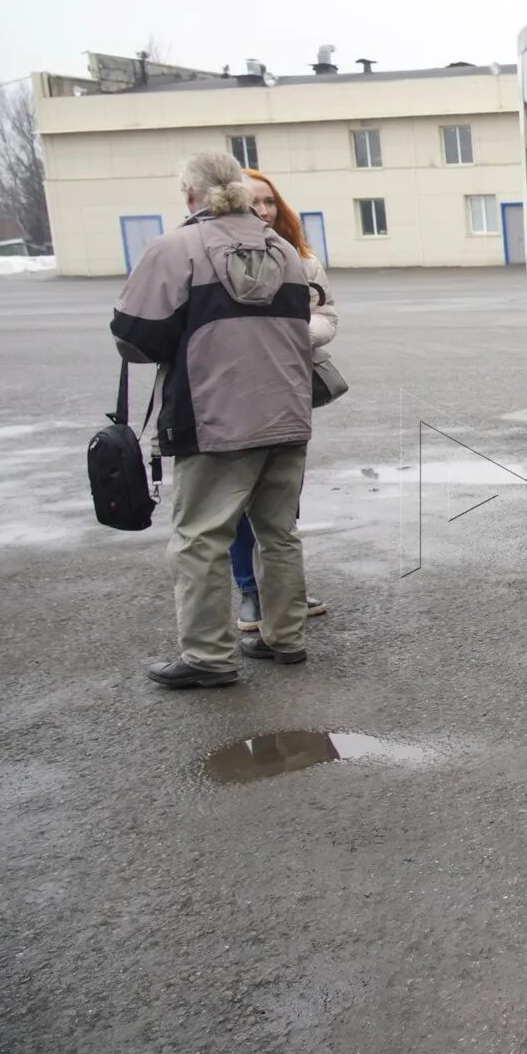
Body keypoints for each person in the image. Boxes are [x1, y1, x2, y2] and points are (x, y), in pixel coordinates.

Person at [110, 151, 314, 687]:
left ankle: (207, 657)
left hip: (215, 417)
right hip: (288, 414)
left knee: (200, 537)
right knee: (279, 532)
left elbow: (133, 338)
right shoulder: (284, 251)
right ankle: (285, 638)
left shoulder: (176, 248)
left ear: (190, 194)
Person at [230, 168, 337, 632]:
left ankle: (284, 592)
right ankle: (250, 594)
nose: (263, 210)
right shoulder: (213, 256)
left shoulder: (303, 260)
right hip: (228, 399)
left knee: (281, 503)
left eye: (269, 201)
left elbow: (328, 318)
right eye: (252, 201)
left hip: (286, 394)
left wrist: (292, 335)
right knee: (234, 502)